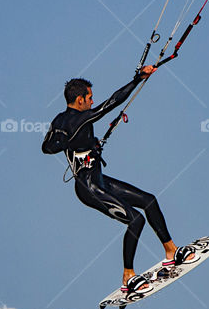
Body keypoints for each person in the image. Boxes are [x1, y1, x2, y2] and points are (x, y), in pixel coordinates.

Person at [41, 65, 190, 293]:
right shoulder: (77, 120)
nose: (92, 101)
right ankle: (128, 276)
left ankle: (170, 249)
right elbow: (111, 103)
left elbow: (50, 145)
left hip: (99, 180)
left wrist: (85, 145)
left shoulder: (59, 120)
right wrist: (137, 79)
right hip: (88, 188)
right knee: (135, 220)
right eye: (89, 97)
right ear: (79, 99)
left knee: (148, 200)